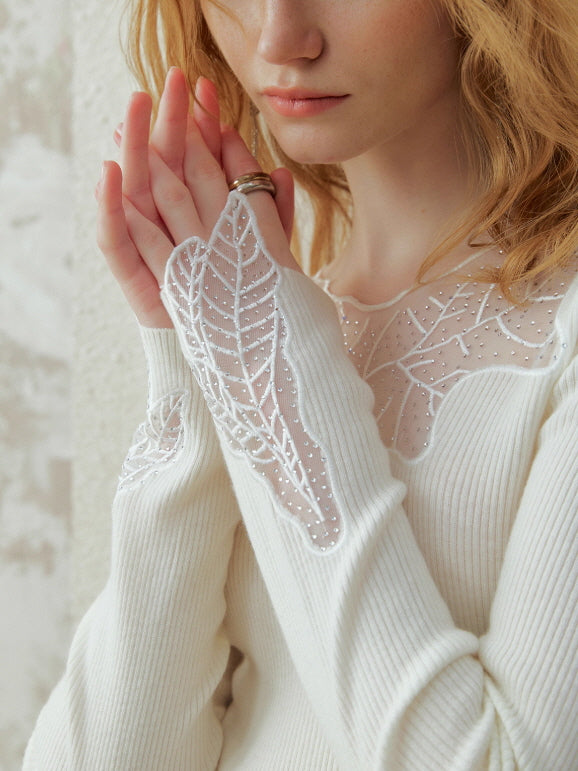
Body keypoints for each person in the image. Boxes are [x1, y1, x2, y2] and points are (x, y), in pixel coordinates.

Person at [24, 0, 577, 768]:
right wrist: (197, 367)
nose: (281, 39)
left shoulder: (561, 338)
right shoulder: (280, 304)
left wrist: (270, 359)